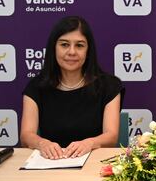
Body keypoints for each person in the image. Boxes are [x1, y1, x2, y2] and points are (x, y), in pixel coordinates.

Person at [20, 16, 124, 159]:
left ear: (88, 51)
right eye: (64, 45)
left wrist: (90, 143)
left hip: (94, 165)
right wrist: (41, 143)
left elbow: (111, 136)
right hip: (50, 163)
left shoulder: (109, 86)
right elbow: (26, 135)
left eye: (79, 45)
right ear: (53, 48)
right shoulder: (36, 87)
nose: (72, 52)